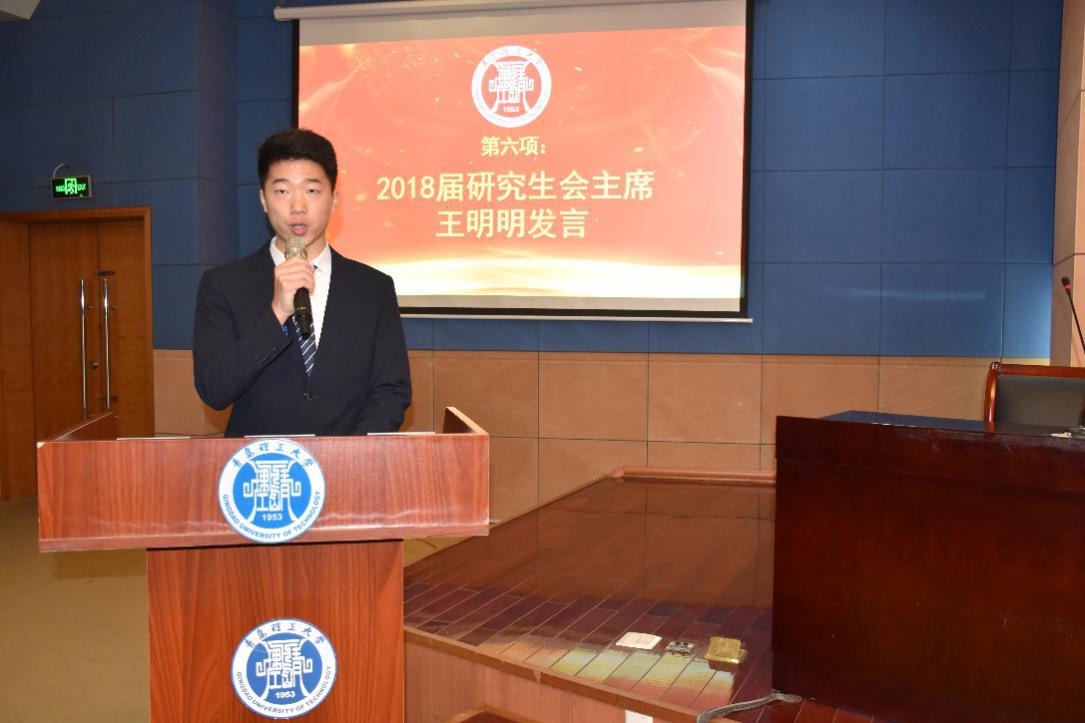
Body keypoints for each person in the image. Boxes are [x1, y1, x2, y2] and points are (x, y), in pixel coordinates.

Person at [193, 128, 411, 437]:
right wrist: (276, 313)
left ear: (334, 199)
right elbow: (214, 390)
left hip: (349, 461)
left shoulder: (373, 288)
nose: (297, 206)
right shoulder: (223, 285)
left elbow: (391, 390)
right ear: (263, 199)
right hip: (263, 462)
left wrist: (352, 455)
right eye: (282, 191)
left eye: (311, 190)